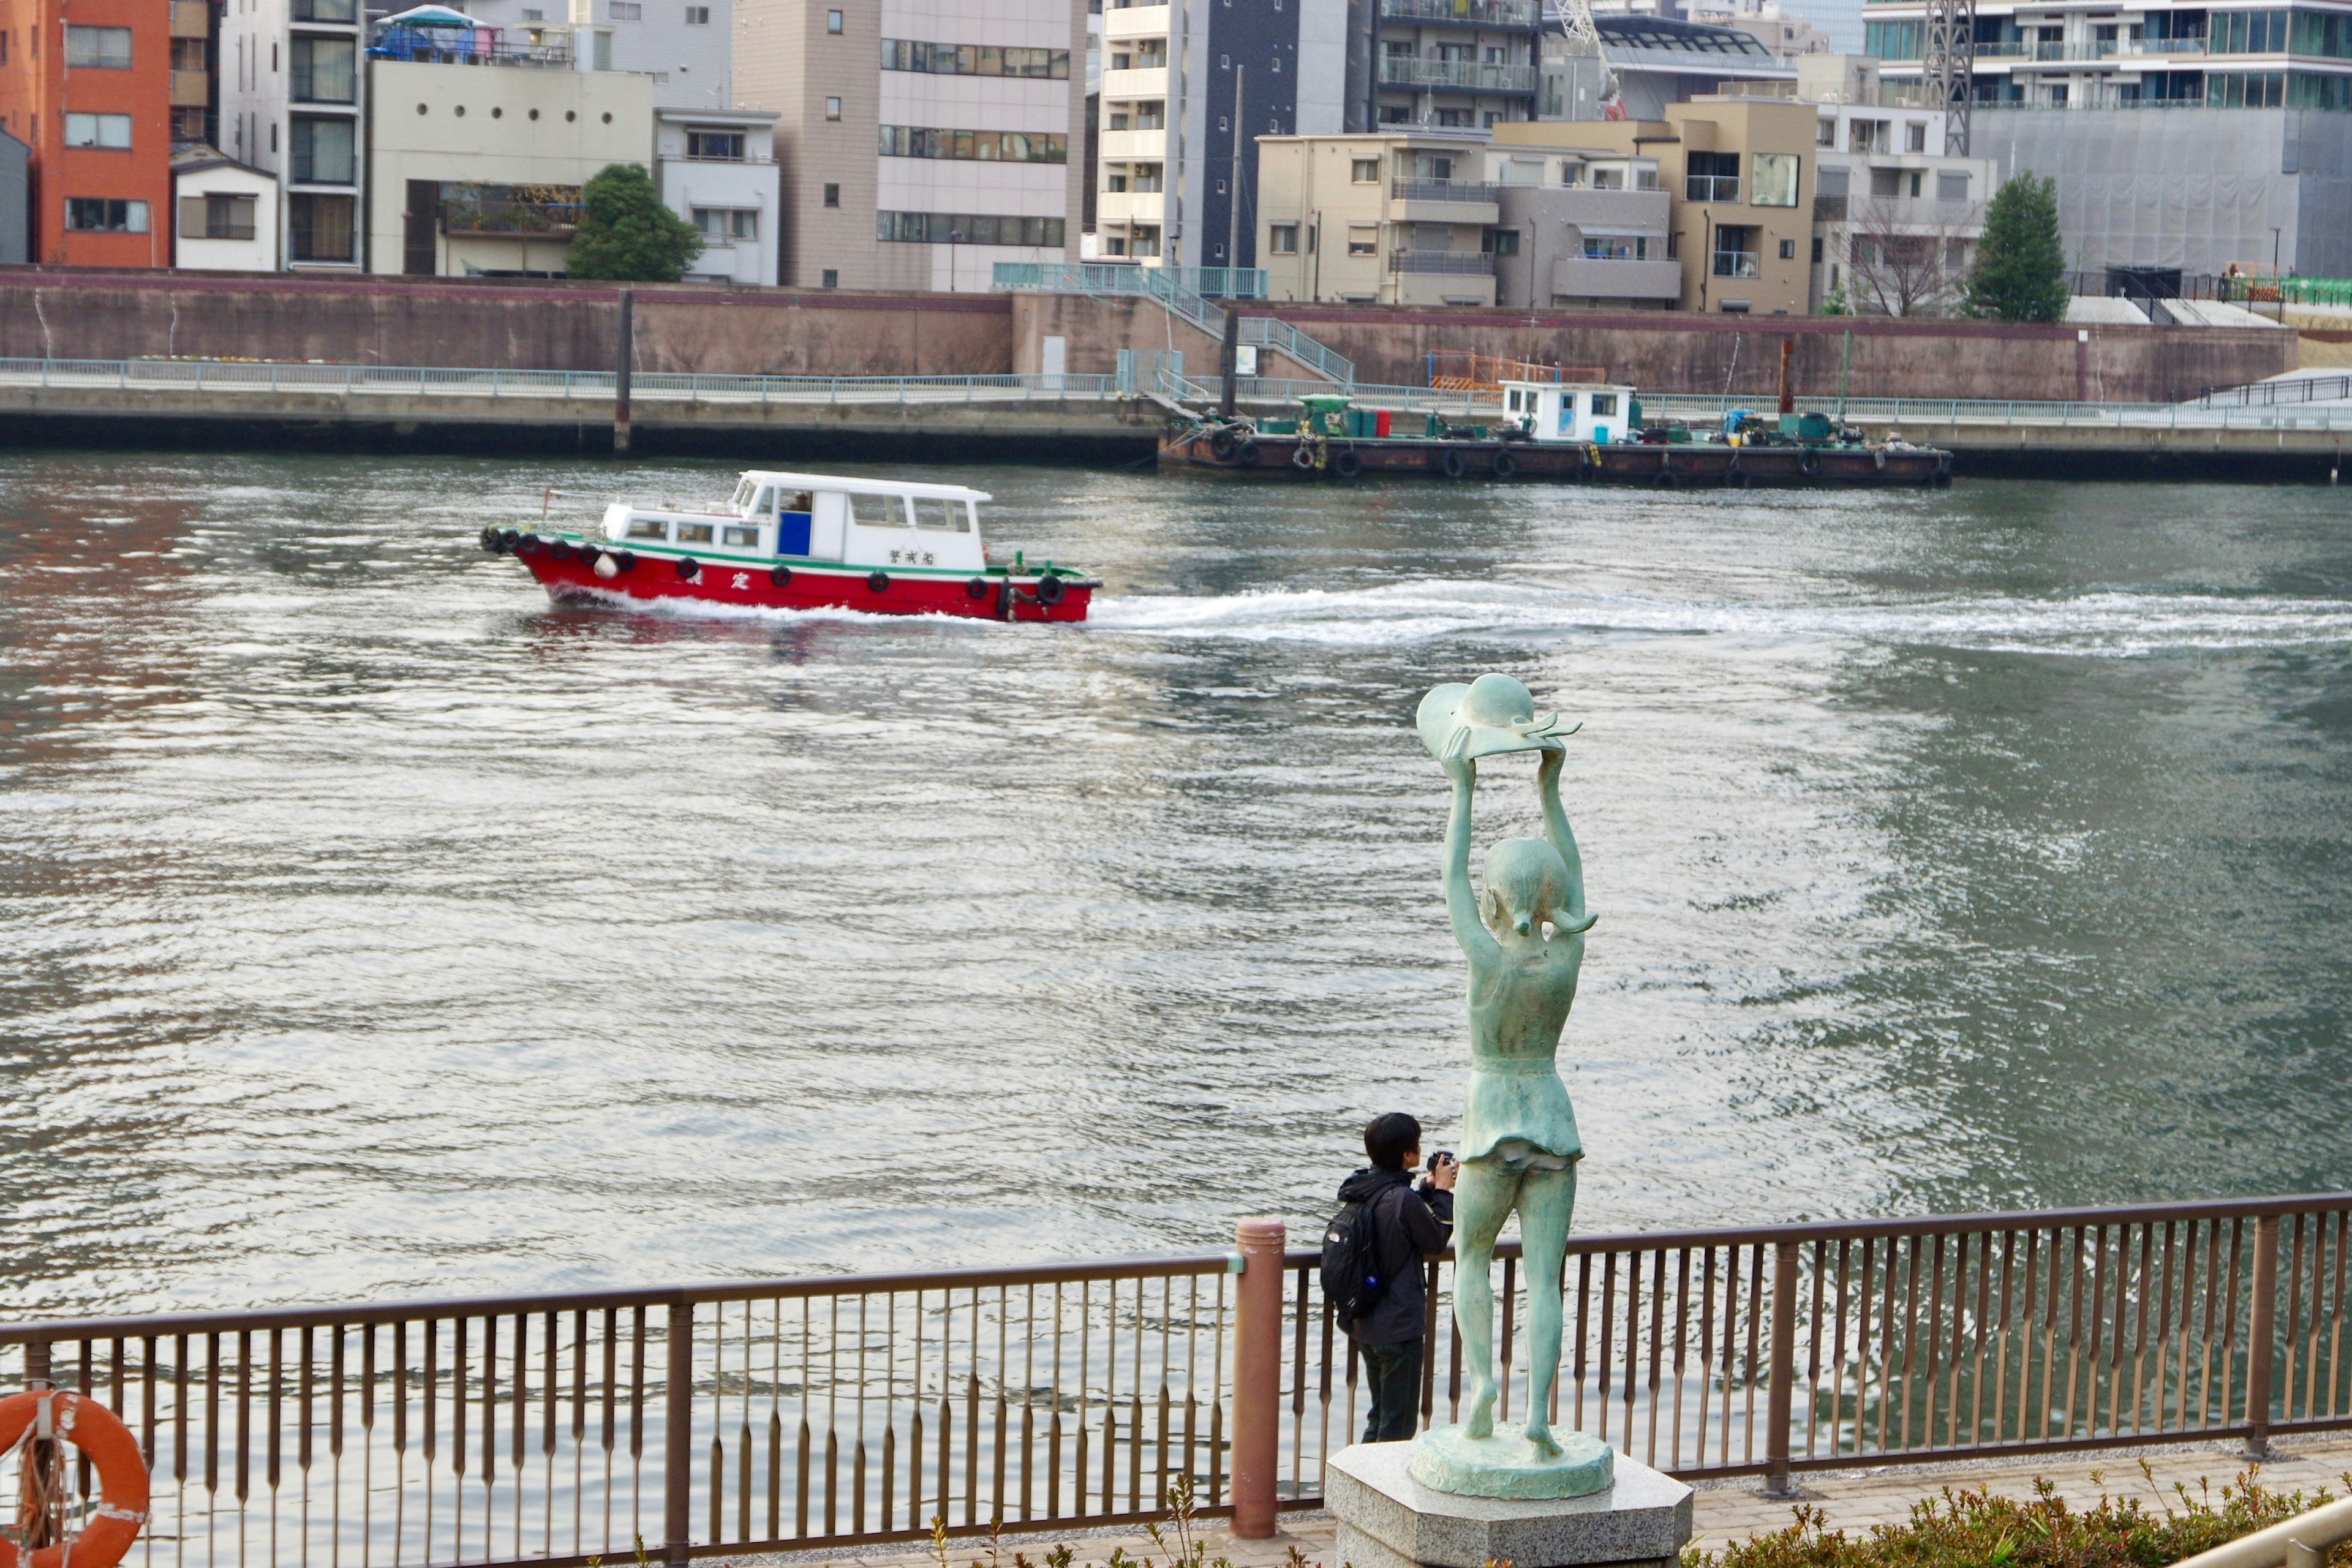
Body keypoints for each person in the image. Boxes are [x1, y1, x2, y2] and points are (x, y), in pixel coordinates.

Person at [1437, 735, 1591, 1454]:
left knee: (1471, 1257)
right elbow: (1577, 874)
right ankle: (1536, 1414)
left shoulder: (1486, 954)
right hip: (1552, 1118)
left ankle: (1481, 1386)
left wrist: (1462, 786)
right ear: (1554, 894)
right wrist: (1549, 787)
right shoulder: (1564, 959)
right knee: (1546, 1279)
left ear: (1497, 897)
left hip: (1490, 1115)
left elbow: (1452, 879)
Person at [1336, 1111, 1457, 1443]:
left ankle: (1359, 1489)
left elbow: (1398, 1215)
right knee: (1399, 1426)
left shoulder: (1362, 1188)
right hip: (1399, 1328)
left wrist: (1427, 1187)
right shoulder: (1400, 1198)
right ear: (1409, 1155)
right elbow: (1434, 1240)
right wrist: (1444, 1192)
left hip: (1365, 1322)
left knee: (1379, 1417)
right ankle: (1383, 1491)